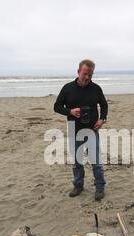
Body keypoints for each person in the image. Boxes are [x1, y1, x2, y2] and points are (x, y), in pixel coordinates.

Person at [54, 59, 108, 201]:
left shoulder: (96, 88)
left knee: (96, 161)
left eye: (90, 75)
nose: (87, 78)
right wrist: (70, 112)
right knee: (77, 161)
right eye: (85, 74)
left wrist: (102, 119)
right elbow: (57, 106)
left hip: (91, 129)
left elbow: (104, 105)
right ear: (78, 72)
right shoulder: (67, 88)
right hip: (74, 129)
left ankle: (100, 187)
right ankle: (78, 186)